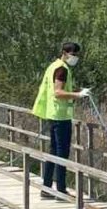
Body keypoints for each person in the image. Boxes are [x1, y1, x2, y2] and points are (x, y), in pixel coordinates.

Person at [31, 41, 90, 200]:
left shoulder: (54, 66)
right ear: (64, 52)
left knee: (53, 151)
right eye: (73, 54)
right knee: (61, 153)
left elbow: (58, 90)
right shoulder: (61, 69)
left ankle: (47, 188)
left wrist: (78, 91)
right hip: (60, 116)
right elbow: (58, 92)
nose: (75, 57)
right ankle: (61, 190)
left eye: (77, 54)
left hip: (54, 113)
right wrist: (78, 95)